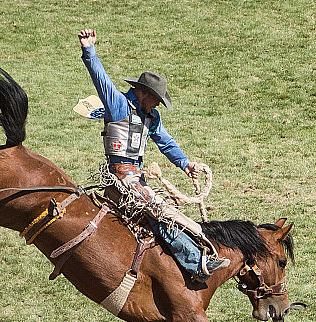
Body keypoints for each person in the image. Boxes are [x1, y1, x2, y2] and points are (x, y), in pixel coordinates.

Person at [78, 28, 229, 282]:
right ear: (144, 93)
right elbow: (100, 78)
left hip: (137, 178)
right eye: (157, 99)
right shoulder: (118, 105)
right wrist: (89, 50)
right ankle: (196, 263)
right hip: (122, 178)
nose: (158, 104)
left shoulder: (152, 116)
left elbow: (165, 142)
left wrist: (185, 164)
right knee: (163, 213)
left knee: (164, 211)